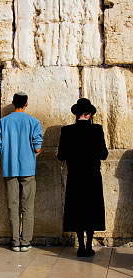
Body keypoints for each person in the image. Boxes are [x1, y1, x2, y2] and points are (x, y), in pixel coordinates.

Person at [57, 98, 108, 257]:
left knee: (77, 209)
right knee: (91, 209)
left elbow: (61, 156)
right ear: (90, 114)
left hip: (75, 177)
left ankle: (80, 247)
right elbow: (104, 154)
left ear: (76, 114)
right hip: (92, 177)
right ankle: (88, 245)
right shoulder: (97, 130)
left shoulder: (67, 131)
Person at [0, 92, 43, 252]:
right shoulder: (33, 122)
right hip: (28, 169)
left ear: (13, 103)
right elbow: (37, 147)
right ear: (27, 103)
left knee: (12, 206)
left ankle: (15, 241)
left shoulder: (2, 122)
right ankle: (26, 242)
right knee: (27, 206)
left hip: (9, 168)